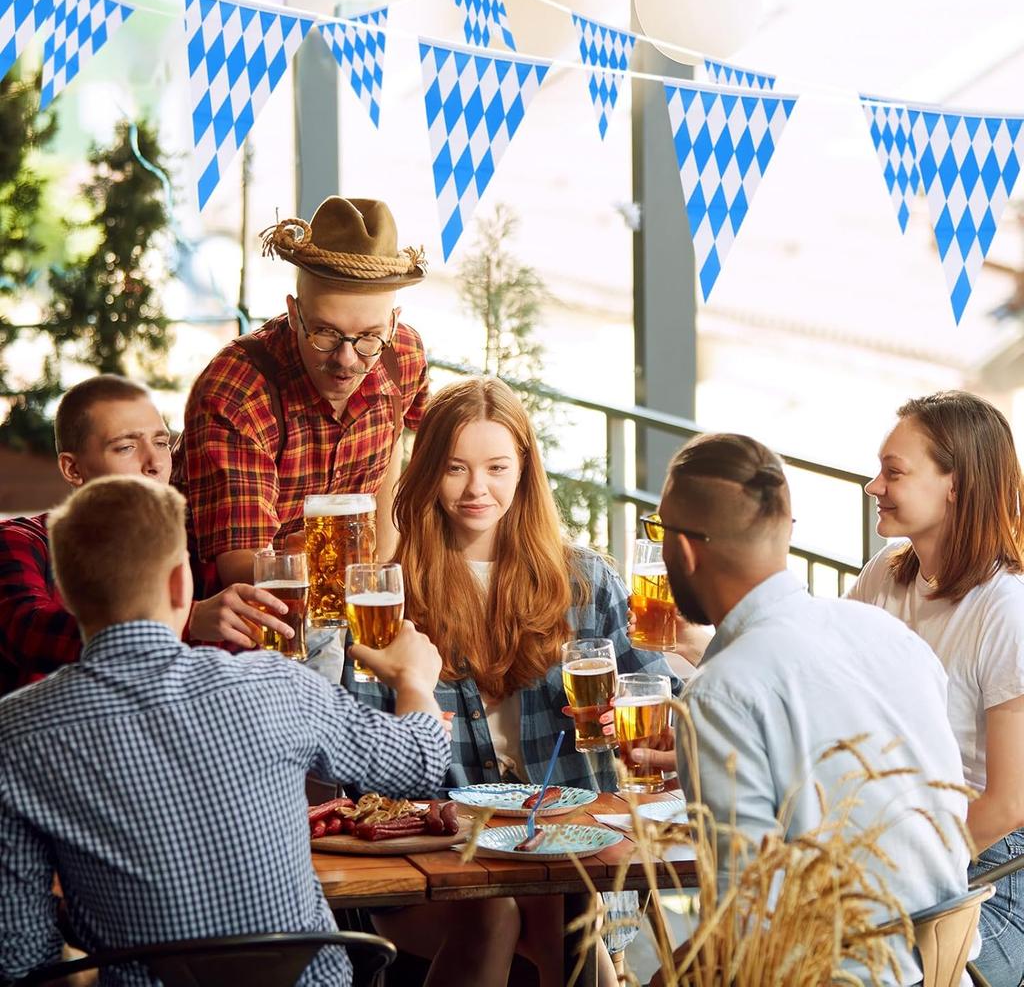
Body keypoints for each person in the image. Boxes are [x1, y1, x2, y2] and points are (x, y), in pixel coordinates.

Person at [0, 474, 450, 986]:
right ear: (181, 583)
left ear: (68, 594)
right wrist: (413, 681)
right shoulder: (274, 683)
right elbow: (420, 764)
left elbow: (19, 958)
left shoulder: (15, 733)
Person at [344, 377, 681, 987]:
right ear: (427, 474)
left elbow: (666, 711)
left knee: (560, 897)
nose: (478, 488)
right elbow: (371, 776)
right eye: (455, 468)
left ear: (525, 471)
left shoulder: (585, 580)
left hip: (566, 845)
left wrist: (633, 725)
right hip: (438, 855)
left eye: (497, 468)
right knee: (509, 908)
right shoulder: (387, 598)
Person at [653, 432, 970, 986]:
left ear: (684, 550)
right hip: (949, 971)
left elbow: (745, 928)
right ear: (783, 534)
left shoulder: (720, 693)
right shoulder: (890, 634)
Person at [847, 391, 1024, 986]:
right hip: (896, 844)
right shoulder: (885, 575)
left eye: (893, 472)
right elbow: (820, 677)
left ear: (956, 485)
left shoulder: (1006, 611)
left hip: (991, 877)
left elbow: (1009, 805)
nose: (874, 486)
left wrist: (890, 874)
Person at [171, 196, 429, 595]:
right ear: (294, 313)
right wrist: (335, 565)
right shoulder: (237, 392)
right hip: (220, 609)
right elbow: (242, 568)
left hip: (346, 599)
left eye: (368, 337)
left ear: (393, 325)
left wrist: (377, 578)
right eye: (325, 332)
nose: (346, 359)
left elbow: (395, 439)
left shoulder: (404, 356)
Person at [0, 375, 298, 697]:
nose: (155, 463)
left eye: (161, 443)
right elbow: (26, 630)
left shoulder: (194, 549)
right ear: (73, 469)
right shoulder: (20, 541)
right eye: (126, 447)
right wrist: (187, 619)